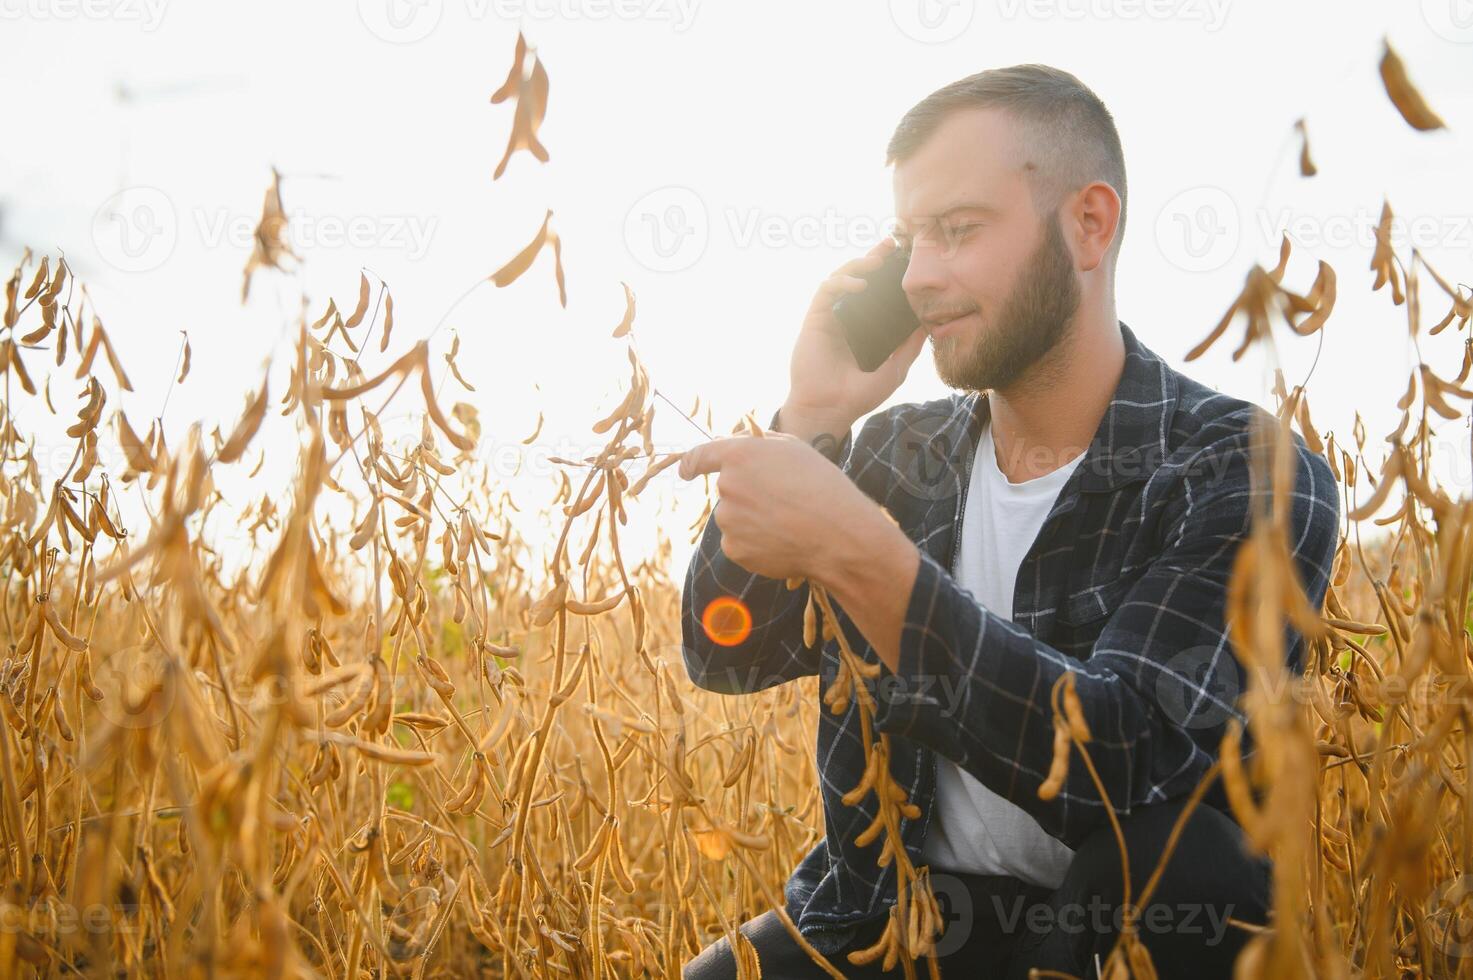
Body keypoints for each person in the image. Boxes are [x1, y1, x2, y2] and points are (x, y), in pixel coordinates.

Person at [676, 64, 1340, 978]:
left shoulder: (1241, 471)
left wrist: (868, 564)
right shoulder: (892, 457)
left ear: (1088, 224)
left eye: (957, 232)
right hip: (900, 917)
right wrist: (814, 415)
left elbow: (1135, 763)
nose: (917, 278)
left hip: (1116, 923)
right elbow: (727, 650)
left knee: (1179, 863)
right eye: (910, 240)